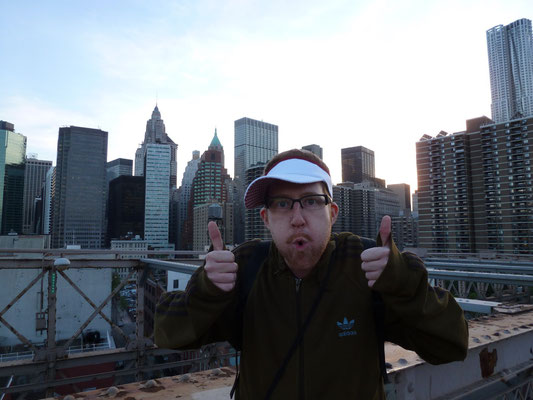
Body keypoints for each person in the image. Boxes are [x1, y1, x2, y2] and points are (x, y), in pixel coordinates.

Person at [155, 149, 468, 399]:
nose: (297, 218)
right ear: (265, 218)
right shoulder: (246, 268)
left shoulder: (366, 269)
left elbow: (452, 344)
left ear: (332, 213)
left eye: (311, 201)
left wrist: (404, 285)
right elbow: (168, 333)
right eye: (282, 204)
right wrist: (206, 292)